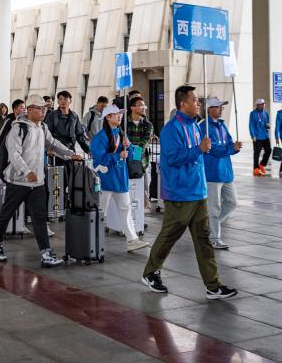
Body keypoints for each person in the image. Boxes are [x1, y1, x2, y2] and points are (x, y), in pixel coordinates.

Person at [141, 85, 237, 300]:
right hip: (179, 193)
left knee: (204, 240)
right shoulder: (171, 129)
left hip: (198, 192)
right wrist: (198, 149)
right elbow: (173, 158)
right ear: (183, 103)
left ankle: (213, 286)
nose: (198, 103)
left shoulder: (196, 126)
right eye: (194, 100)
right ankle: (150, 272)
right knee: (169, 236)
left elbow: (203, 153)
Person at [0, 95, 81, 267]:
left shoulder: (42, 127)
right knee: (7, 212)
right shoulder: (18, 128)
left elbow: (52, 144)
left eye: (44, 109)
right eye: (39, 108)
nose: (43, 112)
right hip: (18, 181)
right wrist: (27, 171)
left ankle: (46, 253)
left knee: (39, 218)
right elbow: (14, 154)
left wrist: (70, 154)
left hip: (37, 182)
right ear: (29, 110)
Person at [90, 104, 150, 252]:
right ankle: (92, 241)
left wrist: (131, 148)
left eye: (120, 114)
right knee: (100, 211)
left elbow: (132, 155)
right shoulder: (100, 137)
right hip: (105, 179)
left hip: (120, 178)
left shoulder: (122, 135)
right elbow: (99, 159)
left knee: (126, 209)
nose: (120, 116)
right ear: (108, 117)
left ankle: (132, 240)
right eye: (116, 114)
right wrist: (118, 155)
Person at [201, 97, 242, 250]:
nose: (221, 109)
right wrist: (231, 148)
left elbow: (228, 143)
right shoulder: (204, 127)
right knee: (214, 207)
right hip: (213, 172)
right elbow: (212, 148)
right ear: (209, 109)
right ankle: (214, 238)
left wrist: (235, 147)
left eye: (221, 107)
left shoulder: (222, 125)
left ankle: (211, 225)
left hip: (225, 171)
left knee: (232, 202)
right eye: (218, 107)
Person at [124, 96, 155, 207]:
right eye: (140, 105)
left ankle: (142, 216)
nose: (144, 107)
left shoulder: (148, 125)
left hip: (143, 162)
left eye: (144, 105)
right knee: (128, 192)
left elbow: (145, 143)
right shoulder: (124, 124)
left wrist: (131, 147)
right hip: (127, 162)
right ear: (132, 108)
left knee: (144, 190)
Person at [249, 98, 272, 176]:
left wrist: (267, 125)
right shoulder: (253, 114)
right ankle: (255, 169)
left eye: (262, 104)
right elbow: (251, 125)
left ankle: (262, 164)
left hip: (265, 136)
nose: (261, 106)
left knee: (269, 150)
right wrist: (253, 135)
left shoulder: (266, 113)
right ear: (257, 105)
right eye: (259, 105)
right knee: (257, 153)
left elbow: (267, 122)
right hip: (257, 137)